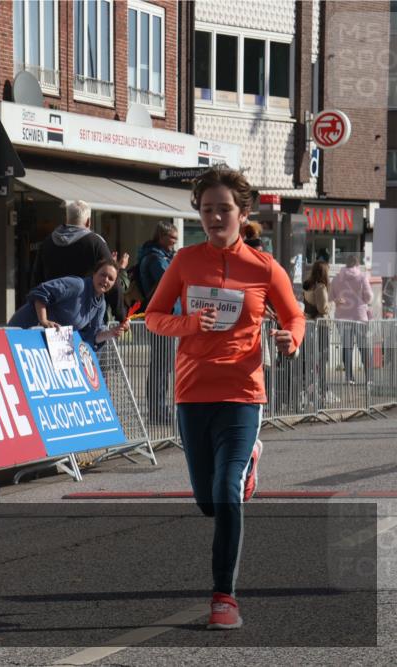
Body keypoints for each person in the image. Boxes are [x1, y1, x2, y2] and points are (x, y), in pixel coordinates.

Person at [144, 166, 305, 631]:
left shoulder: (263, 267)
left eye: (225, 209)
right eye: (207, 209)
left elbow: (295, 317)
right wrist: (191, 324)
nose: (216, 217)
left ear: (243, 213)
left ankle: (223, 597)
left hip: (243, 392)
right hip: (192, 393)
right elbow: (153, 316)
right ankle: (249, 464)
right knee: (207, 502)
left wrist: (288, 341)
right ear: (198, 212)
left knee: (226, 493)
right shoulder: (184, 262)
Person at [31, 199, 126, 321]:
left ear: (66, 219)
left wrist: (40, 315)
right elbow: (111, 278)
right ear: (88, 222)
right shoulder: (95, 243)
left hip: (53, 316)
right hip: (85, 317)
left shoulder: (47, 242)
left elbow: (36, 280)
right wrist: (121, 315)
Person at [7, 259, 130, 347]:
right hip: (22, 332)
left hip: (47, 344)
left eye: (110, 278)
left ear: (114, 284)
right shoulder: (77, 285)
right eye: (103, 274)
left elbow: (92, 336)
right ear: (94, 274)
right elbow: (41, 292)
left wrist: (111, 333)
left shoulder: (101, 304)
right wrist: (44, 320)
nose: (105, 280)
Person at [138, 221, 180, 423]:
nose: (175, 243)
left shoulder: (163, 256)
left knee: (163, 365)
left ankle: (159, 408)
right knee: (161, 366)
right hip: (161, 318)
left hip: (168, 318)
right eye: (172, 239)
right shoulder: (155, 258)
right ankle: (157, 410)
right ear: (161, 237)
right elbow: (170, 282)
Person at [330, 255, 372, 384]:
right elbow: (369, 296)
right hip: (359, 316)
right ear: (357, 264)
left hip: (342, 317)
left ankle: (349, 377)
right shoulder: (362, 277)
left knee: (346, 347)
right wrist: (362, 301)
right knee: (363, 346)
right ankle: (369, 378)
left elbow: (332, 297)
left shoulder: (337, 278)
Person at [302, 261, 331, 404]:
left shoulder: (308, 285)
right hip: (321, 326)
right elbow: (322, 308)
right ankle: (322, 392)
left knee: (313, 361)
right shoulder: (320, 287)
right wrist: (334, 303)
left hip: (311, 325)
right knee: (322, 361)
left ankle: (313, 392)